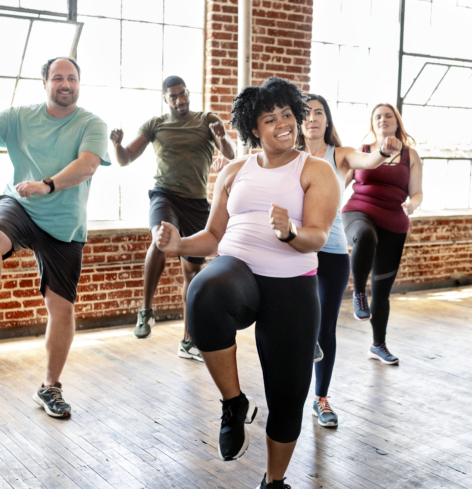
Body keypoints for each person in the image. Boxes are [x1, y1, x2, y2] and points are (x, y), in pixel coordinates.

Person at [154, 76, 341, 489]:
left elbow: (318, 235)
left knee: (288, 397)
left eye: (287, 115)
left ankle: (274, 481)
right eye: (270, 118)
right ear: (253, 128)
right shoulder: (235, 170)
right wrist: (178, 243)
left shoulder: (317, 170)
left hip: (291, 283)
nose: (282, 124)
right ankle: (234, 404)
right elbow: (212, 235)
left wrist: (290, 232)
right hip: (237, 269)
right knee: (203, 290)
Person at [0, 57, 110, 419]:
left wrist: (48, 185)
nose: (65, 83)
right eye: (58, 77)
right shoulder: (19, 118)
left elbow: (88, 164)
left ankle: (50, 386)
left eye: (72, 78)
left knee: (61, 308)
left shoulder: (92, 123)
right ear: (44, 82)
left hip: (64, 224)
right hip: (22, 204)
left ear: (79, 83)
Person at [110, 76, 235, 359]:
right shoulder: (155, 124)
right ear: (166, 99)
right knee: (161, 237)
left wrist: (221, 135)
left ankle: (189, 341)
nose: (180, 100)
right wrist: (116, 144)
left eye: (183, 94)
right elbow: (125, 158)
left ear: (188, 93)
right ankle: (146, 310)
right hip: (164, 194)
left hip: (196, 204)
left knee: (192, 273)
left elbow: (228, 153)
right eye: (173, 97)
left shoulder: (206, 120)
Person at [298, 94, 401, 427]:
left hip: (331, 253)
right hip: (295, 251)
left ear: (328, 121)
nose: (312, 118)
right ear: (299, 122)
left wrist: (383, 153)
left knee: (325, 329)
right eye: (306, 113)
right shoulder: (289, 156)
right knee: (298, 324)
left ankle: (321, 399)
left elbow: (366, 161)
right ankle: (290, 394)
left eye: (319, 113)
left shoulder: (338, 155)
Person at [341, 103, 422, 365]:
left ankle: (378, 345)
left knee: (383, 290)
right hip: (358, 212)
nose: (383, 119)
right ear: (372, 123)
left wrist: (413, 204)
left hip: (394, 223)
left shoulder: (411, 156)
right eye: (378, 116)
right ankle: (358, 292)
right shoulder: (361, 152)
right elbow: (340, 182)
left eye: (388, 115)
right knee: (366, 236)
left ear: (397, 122)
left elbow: (417, 192)